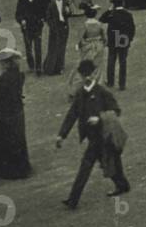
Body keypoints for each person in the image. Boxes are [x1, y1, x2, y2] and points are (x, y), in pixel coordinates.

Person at [55, 59, 130, 209]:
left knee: (106, 164)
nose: (88, 77)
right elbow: (72, 115)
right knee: (98, 165)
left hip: (105, 136)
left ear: (94, 74)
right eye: (85, 75)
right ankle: (73, 200)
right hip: (93, 139)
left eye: (90, 74)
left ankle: (74, 200)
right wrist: (62, 135)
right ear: (82, 76)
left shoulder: (103, 92)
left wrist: (99, 118)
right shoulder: (80, 94)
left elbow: (116, 111)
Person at [0, 50, 31, 180]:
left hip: (6, 113)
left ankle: (9, 171)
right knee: (18, 139)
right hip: (17, 111)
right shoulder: (19, 75)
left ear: (6, 63)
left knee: (5, 140)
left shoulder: (4, 78)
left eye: (1, 63)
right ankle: (22, 168)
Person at [99, 0, 135, 91]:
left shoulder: (111, 14)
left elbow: (101, 19)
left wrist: (109, 9)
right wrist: (130, 39)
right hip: (123, 38)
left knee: (111, 60)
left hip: (113, 38)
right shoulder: (128, 14)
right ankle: (122, 84)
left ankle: (111, 82)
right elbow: (132, 29)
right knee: (123, 61)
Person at [15, 0, 45, 73]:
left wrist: (42, 19)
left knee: (38, 47)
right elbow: (17, 14)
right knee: (28, 48)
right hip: (27, 28)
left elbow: (43, 11)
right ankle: (31, 65)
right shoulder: (22, 0)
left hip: (37, 27)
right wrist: (21, 20)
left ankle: (39, 67)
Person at [42, 0, 72, 75]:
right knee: (53, 47)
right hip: (55, 28)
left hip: (64, 27)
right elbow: (48, 17)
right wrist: (52, 26)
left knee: (62, 48)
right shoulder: (51, 5)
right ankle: (50, 68)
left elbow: (69, 14)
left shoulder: (65, 3)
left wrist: (68, 11)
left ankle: (60, 67)